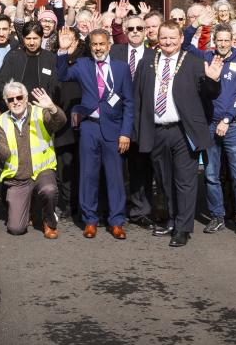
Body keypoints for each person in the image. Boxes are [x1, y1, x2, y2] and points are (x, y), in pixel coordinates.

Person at [135, 21, 214, 247]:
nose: (168, 42)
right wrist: (138, 130)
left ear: (181, 39)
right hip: (157, 130)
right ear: (157, 39)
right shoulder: (148, 61)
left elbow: (211, 95)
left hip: (182, 130)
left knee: (185, 181)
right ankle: (171, 219)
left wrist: (213, 80)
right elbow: (138, 96)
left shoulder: (195, 62)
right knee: (163, 180)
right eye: (164, 38)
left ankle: (183, 228)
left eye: (172, 38)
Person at [62, 29, 134, 240]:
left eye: (102, 44)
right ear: (90, 46)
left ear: (109, 45)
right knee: (88, 175)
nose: (98, 48)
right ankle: (90, 220)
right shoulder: (83, 65)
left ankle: (117, 221)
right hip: (90, 128)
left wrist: (126, 133)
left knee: (115, 177)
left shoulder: (121, 69)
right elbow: (62, 74)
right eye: (94, 44)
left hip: (114, 128)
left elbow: (129, 102)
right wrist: (63, 51)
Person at [196, 25, 236, 241]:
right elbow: (186, 45)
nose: (222, 44)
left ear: (233, 40)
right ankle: (217, 216)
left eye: (226, 40)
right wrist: (198, 26)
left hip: (232, 126)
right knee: (211, 174)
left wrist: (227, 118)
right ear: (215, 40)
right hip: (209, 125)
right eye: (219, 40)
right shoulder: (207, 56)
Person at [0, 80, 65, 237]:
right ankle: (31, 209)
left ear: (26, 98)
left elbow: (60, 123)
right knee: (16, 229)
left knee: (49, 190)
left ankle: (49, 222)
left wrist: (52, 108)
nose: (16, 102)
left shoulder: (39, 112)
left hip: (42, 171)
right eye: (11, 99)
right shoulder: (2, 120)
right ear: (6, 102)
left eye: (19, 97)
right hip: (18, 178)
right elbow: (5, 154)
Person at [111, 14, 158, 229]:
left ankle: (141, 212)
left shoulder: (155, 54)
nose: (136, 31)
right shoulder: (115, 52)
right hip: (117, 119)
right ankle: (115, 210)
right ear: (125, 31)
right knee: (115, 168)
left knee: (141, 169)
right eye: (131, 29)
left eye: (140, 28)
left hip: (143, 119)